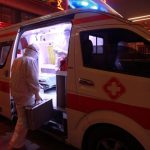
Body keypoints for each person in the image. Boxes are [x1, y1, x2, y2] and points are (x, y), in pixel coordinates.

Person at [8, 44, 42, 150]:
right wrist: (37, 94)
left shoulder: (17, 60)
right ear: (35, 52)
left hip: (17, 94)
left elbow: (15, 77)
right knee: (23, 121)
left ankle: (17, 142)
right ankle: (15, 144)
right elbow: (32, 80)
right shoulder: (30, 61)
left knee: (21, 118)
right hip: (25, 96)